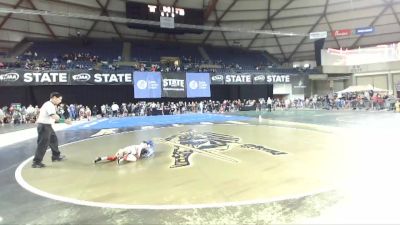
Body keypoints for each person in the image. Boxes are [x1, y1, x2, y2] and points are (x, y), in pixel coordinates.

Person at [32, 92, 70, 168]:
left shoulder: (51, 105)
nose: (60, 101)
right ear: (54, 98)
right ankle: (36, 162)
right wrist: (64, 121)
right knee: (43, 144)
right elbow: (53, 116)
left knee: (53, 140)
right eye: (59, 99)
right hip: (44, 126)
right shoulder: (49, 105)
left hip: (47, 126)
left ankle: (56, 156)